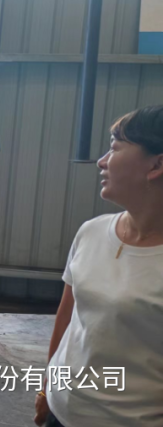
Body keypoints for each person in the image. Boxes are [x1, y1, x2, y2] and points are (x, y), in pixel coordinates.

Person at [34, 106, 163, 427]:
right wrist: (47, 386)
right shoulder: (91, 231)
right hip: (61, 411)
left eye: (115, 148)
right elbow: (68, 316)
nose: (102, 161)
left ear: (157, 165)